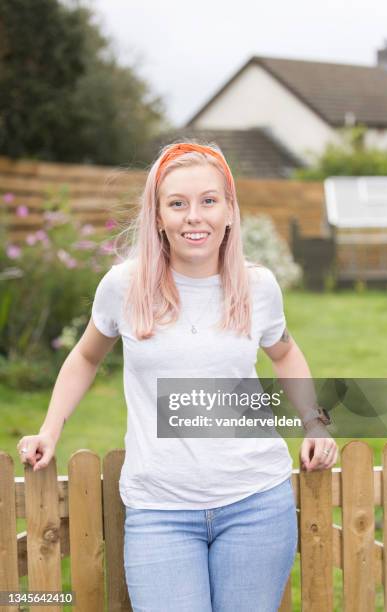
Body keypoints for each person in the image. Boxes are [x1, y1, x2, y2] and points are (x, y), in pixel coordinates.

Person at [17, 141, 338, 612]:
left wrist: (314, 423)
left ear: (230, 211)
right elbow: (85, 358)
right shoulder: (124, 287)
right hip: (160, 512)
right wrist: (50, 428)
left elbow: (286, 353)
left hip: (256, 503)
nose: (194, 216)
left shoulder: (258, 288)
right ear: (158, 215)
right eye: (178, 203)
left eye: (209, 201)